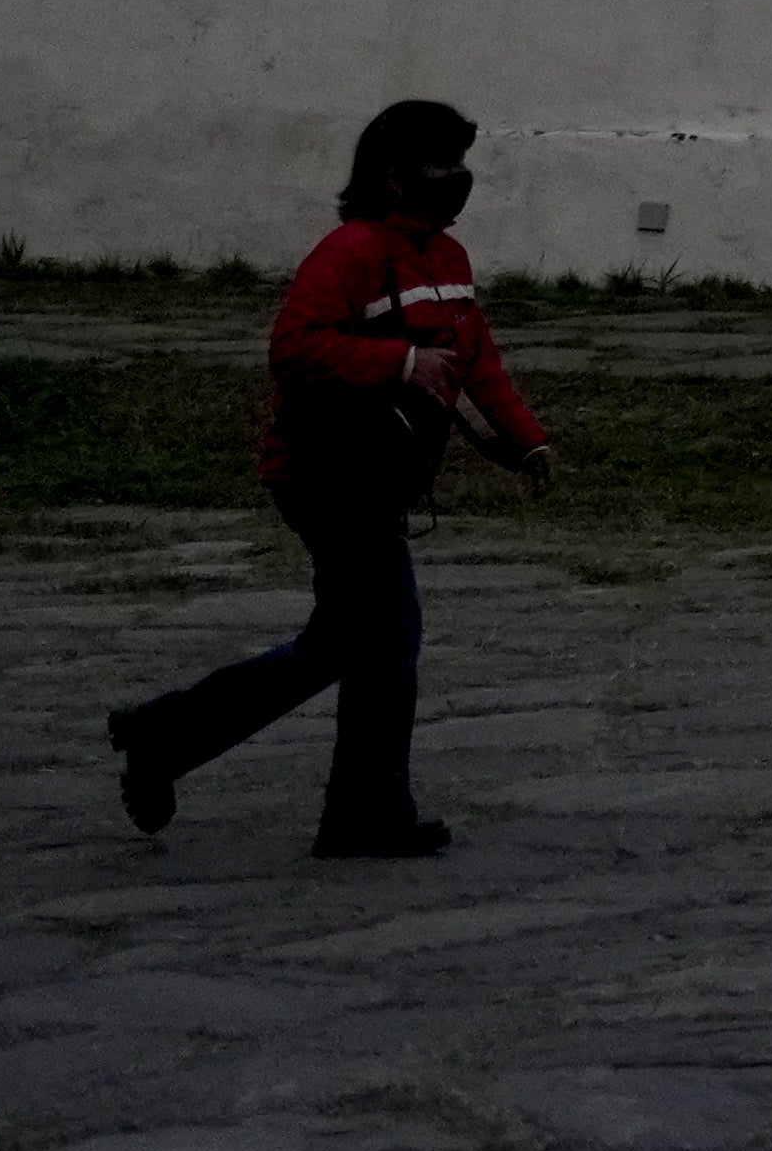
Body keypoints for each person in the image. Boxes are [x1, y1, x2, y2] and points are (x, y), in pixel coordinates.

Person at [109, 96, 555, 857]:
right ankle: (361, 812)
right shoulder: (348, 252)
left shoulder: (448, 263)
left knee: (342, 645)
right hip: (325, 477)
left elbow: (475, 369)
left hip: (374, 481)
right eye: (441, 166)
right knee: (388, 637)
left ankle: (167, 735)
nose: (459, 180)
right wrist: (401, 362)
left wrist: (524, 444)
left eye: (461, 164)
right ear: (392, 177)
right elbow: (295, 347)